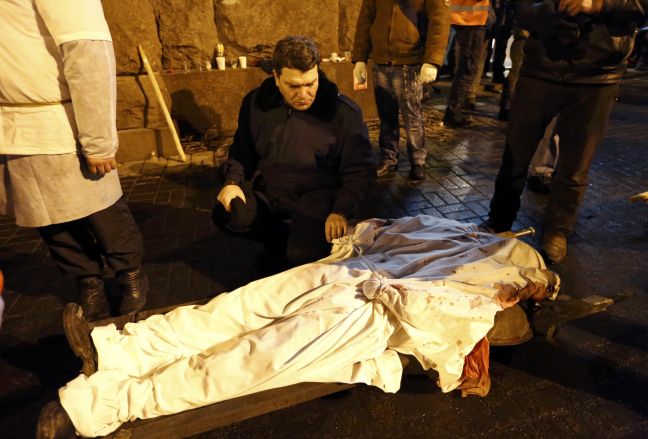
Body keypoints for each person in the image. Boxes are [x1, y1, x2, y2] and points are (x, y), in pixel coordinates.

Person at [0, 0, 148, 320]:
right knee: (48, 219)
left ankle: (130, 275)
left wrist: (98, 140)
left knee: (102, 213)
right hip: (11, 125)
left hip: (61, 122)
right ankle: (87, 280)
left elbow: (87, 51)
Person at [483, 0, 648, 264]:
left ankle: (557, 231)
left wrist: (599, 5)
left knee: (575, 165)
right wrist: (543, 12)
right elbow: (519, 5)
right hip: (540, 69)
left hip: (599, 76)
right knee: (515, 156)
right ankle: (499, 220)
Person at [212, 36, 376, 274]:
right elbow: (242, 149)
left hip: (318, 198)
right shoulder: (257, 103)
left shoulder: (342, 113)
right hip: (272, 192)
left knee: (301, 255)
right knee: (228, 214)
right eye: (294, 86)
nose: (304, 94)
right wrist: (232, 182)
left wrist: (341, 210)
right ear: (276, 77)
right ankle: (279, 240)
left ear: (317, 72)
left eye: (310, 83)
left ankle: (298, 243)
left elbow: (360, 171)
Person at [352, 0, 450, 180]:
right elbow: (366, 19)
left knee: (412, 116)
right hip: (381, 62)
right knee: (386, 116)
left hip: (410, 62)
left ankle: (417, 160)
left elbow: (439, 21)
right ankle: (389, 158)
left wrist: (432, 60)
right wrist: (360, 57)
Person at [443, 0, 491, 127]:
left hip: (466, 19)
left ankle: (453, 111)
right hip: (471, 21)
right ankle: (452, 114)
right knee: (467, 70)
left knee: (465, 68)